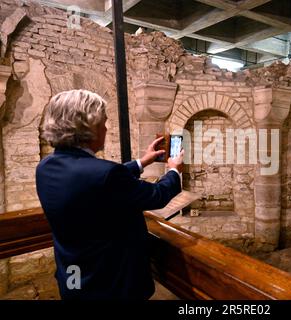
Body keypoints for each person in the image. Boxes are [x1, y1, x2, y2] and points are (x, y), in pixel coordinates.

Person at [35, 89, 183, 300]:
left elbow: (93, 180)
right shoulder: (105, 175)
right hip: (110, 282)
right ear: (88, 127)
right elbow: (157, 195)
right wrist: (174, 170)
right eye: (103, 122)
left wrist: (142, 162)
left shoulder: (46, 167)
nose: (106, 128)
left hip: (73, 275)